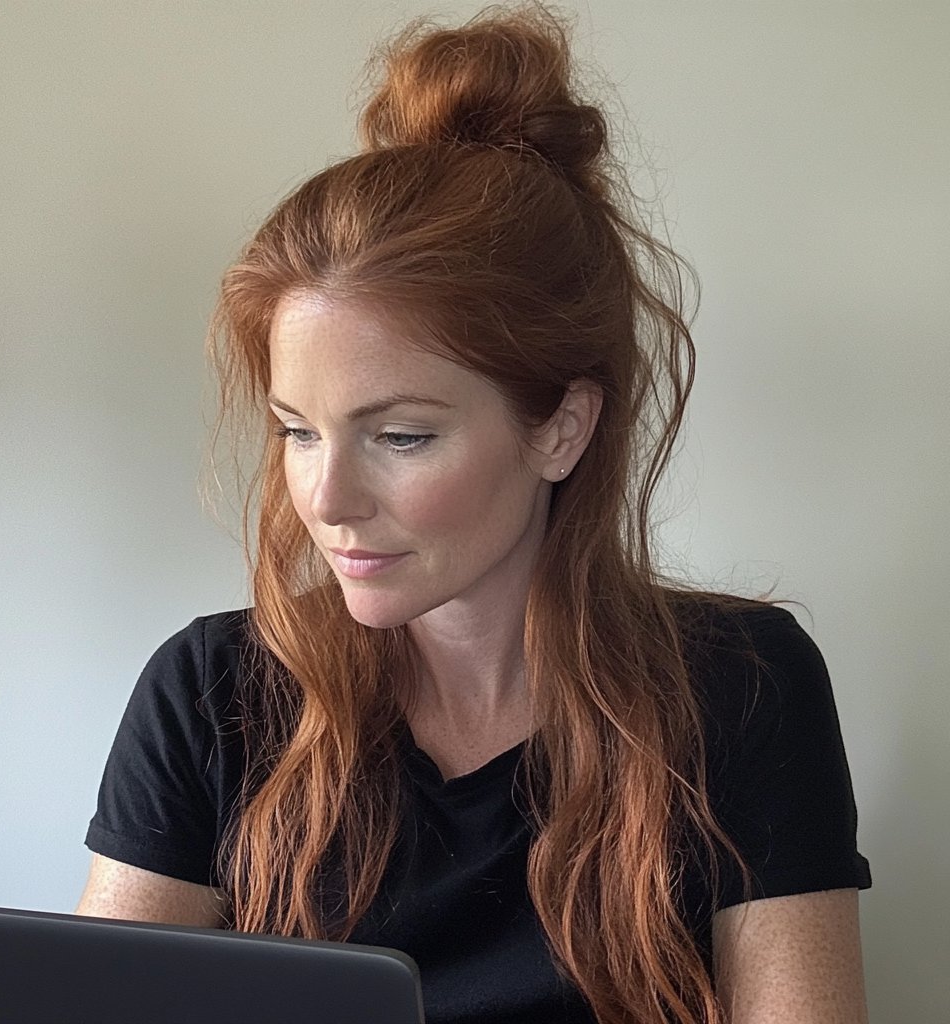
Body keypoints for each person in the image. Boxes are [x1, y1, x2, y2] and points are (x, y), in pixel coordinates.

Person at [77, 7, 871, 1023]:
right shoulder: (208, 695)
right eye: (297, 430)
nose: (325, 501)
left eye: (401, 436)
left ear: (560, 428)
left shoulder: (744, 691)